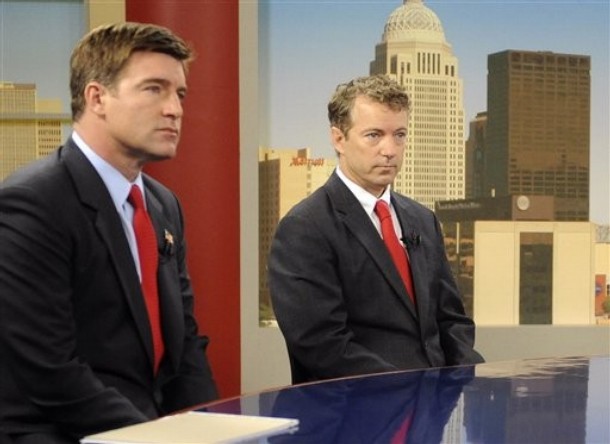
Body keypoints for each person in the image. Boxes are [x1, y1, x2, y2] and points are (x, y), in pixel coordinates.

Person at [0, 22, 218, 443]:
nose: (175, 109)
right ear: (97, 97)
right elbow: (50, 371)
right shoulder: (31, 203)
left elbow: (185, 346)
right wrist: (160, 438)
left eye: (180, 94)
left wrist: (211, 427)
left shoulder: (163, 205)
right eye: (154, 89)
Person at [268, 74, 484, 384]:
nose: (390, 149)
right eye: (374, 135)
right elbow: (322, 345)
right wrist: (410, 388)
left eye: (399, 135)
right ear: (338, 139)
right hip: (354, 415)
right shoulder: (305, 228)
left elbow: (451, 320)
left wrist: (471, 381)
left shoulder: (422, 219)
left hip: (428, 414)